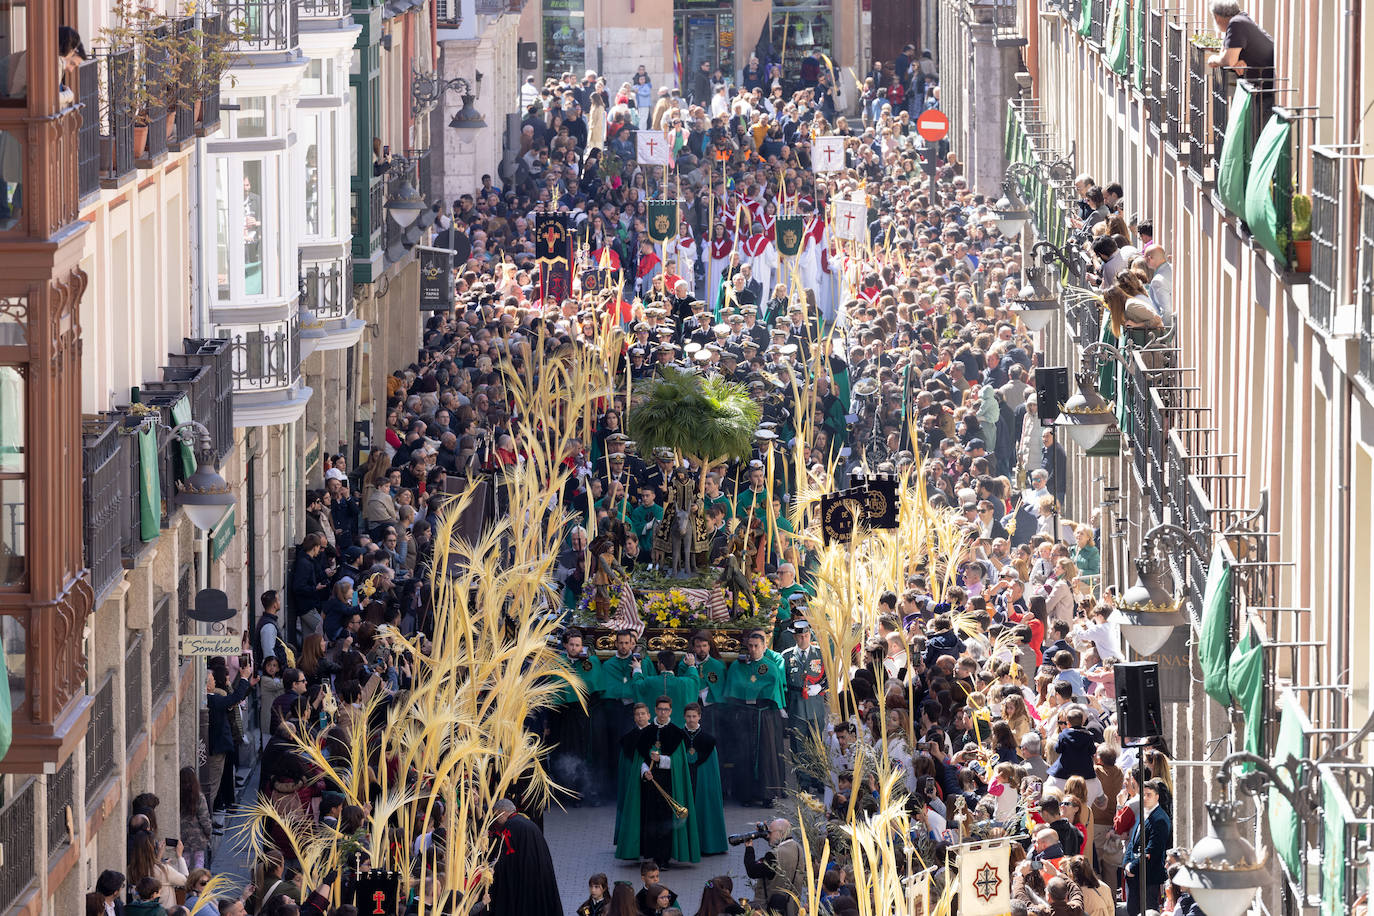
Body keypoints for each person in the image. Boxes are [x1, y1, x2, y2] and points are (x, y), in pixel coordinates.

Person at [723, 631, 786, 807]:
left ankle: (767, 795)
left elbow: (771, 688)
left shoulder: (770, 666)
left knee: (766, 755)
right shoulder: (738, 666)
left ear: (764, 647)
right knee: (743, 754)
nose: (752, 649)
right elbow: (734, 686)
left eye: (756, 646)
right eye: (749, 646)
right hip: (743, 715)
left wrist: (751, 690)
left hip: (763, 716)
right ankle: (746, 794)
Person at [635, 696, 698, 867]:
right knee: (651, 819)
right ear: (655, 710)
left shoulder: (677, 733)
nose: (663, 713)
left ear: (670, 711)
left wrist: (661, 758)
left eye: (666, 709)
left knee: (666, 820)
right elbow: (640, 759)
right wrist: (645, 771)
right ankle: (654, 856)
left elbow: (679, 763)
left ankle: (664, 858)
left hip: (669, 783)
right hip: (650, 782)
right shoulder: (647, 732)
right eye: (660, 709)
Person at [487, 798, 562, 916]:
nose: (496, 820)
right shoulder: (527, 823)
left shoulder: (509, 827)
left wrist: (493, 868)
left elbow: (508, 857)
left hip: (526, 878)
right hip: (540, 873)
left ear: (502, 813)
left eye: (496, 816)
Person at [681, 702, 727, 855]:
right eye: (688, 716)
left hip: (702, 780)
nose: (691, 719)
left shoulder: (709, 741)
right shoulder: (678, 737)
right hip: (685, 779)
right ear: (684, 717)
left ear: (700, 717)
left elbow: (711, 770)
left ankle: (708, 845)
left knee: (704, 806)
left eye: (694, 716)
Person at [1123, 778, 1172, 914]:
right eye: (1142, 795)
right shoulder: (1143, 813)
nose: (1144, 798)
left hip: (1148, 878)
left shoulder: (1160, 819)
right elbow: (1133, 842)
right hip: (1134, 875)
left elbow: (1153, 851)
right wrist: (1126, 863)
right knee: (1132, 910)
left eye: (1148, 794)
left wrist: (1132, 867)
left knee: (1147, 911)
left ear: (1157, 796)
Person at [742, 819, 805, 911]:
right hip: (792, 908)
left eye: (770, 832)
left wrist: (749, 848)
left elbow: (752, 871)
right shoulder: (797, 847)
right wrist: (766, 835)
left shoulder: (773, 856)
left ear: (780, 833)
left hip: (771, 909)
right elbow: (779, 845)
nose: (768, 835)